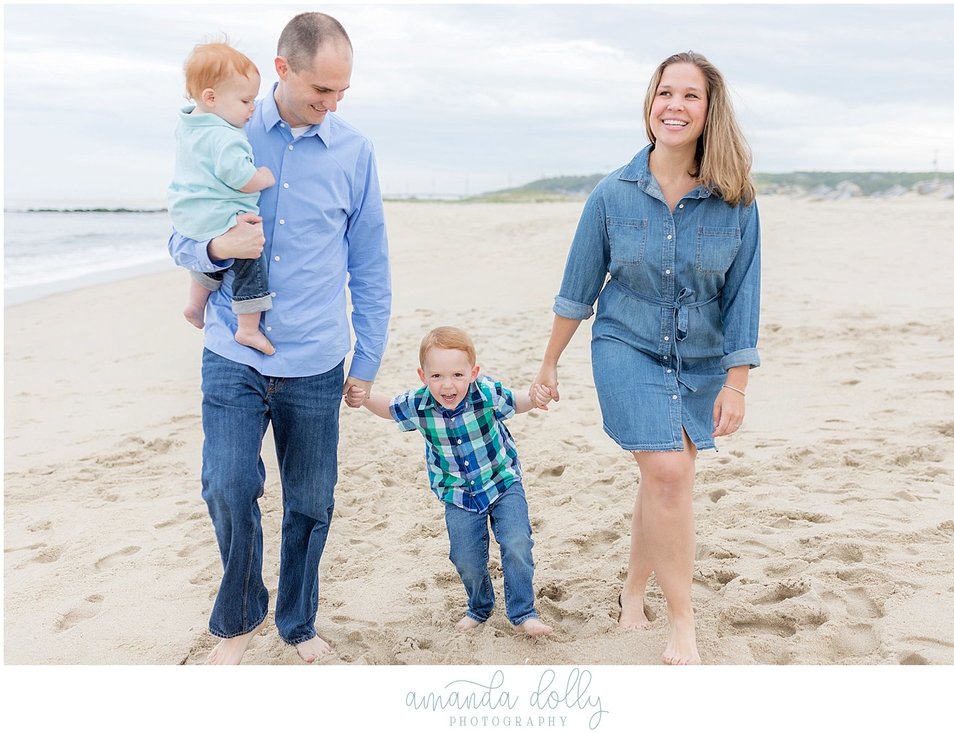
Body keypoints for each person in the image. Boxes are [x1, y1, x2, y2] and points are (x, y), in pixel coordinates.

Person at [167, 12, 391, 664]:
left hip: (318, 357)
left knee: (311, 502)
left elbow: (370, 266)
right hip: (231, 350)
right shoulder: (221, 133)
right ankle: (239, 621)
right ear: (282, 69)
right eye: (321, 90)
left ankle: (296, 622)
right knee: (227, 484)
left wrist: (367, 360)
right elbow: (180, 230)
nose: (331, 104)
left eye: (342, 92)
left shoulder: (355, 152)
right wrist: (215, 245)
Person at [531, 52, 761, 665]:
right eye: (665, 93)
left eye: (690, 96)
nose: (675, 106)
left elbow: (743, 297)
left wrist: (735, 384)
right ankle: (683, 622)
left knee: (665, 477)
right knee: (667, 472)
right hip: (625, 343)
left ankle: (634, 588)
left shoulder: (736, 200)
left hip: (701, 356)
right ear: (650, 103)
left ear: (710, 112)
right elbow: (577, 288)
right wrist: (550, 362)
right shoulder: (612, 193)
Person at [345, 327, 554, 637]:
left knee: (517, 543)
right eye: (437, 376)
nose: (447, 385)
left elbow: (517, 400)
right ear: (423, 375)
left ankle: (523, 612)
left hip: (502, 481)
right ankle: (480, 606)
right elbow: (388, 408)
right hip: (458, 495)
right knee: (465, 557)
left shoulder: (485, 393)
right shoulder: (419, 404)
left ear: (473, 372)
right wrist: (364, 398)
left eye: (457, 374)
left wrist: (536, 397)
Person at [166, 41, 277, 355]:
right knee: (250, 258)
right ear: (211, 97)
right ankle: (248, 328)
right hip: (220, 214)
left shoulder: (188, 126)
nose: (252, 109)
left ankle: (194, 303)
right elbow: (240, 178)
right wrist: (263, 177)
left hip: (189, 214)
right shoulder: (225, 135)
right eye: (245, 100)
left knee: (211, 258)